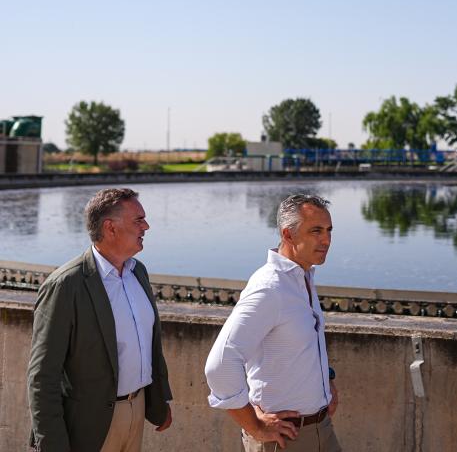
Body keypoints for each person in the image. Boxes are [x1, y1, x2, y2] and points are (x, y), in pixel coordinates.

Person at [27, 188, 173, 452]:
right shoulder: (66, 285)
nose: (147, 226)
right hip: (88, 425)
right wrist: (52, 444)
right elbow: (42, 375)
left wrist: (159, 402)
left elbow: (148, 345)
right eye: (138, 220)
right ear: (110, 228)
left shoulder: (137, 272)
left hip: (136, 410)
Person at [205, 194, 341, 452]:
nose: (327, 240)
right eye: (316, 231)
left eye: (329, 230)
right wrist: (254, 425)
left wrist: (327, 378)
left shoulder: (302, 276)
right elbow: (220, 365)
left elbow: (299, 344)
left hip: (321, 430)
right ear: (288, 235)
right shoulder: (270, 287)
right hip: (285, 440)